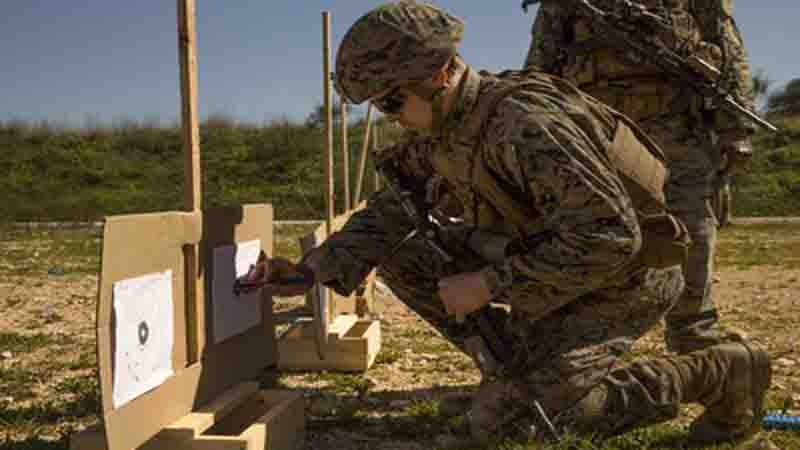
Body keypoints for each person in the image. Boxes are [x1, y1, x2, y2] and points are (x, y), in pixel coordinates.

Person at [249, 1, 770, 444]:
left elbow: (612, 237)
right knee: (405, 246)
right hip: (553, 268)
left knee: (535, 422)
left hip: (623, 278)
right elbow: (391, 212)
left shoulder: (526, 127)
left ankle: (720, 371)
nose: (390, 116)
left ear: (437, 76)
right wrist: (309, 271)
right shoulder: (443, 129)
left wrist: (489, 283)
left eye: (391, 100)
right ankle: (516, 374)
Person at [523, 0, 757, 354]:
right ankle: (586, 340)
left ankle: (694, 330)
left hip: (677, 124)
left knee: (692, 224)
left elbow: (726, 44)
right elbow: (543, 57)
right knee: (592, 229)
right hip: (598, 128)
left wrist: (737, 128)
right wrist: (534, 126)